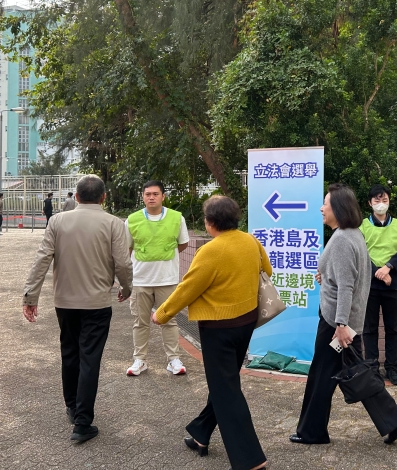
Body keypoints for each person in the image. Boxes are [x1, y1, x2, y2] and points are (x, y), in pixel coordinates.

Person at [152, 195, 268, 470]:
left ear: (210, 222)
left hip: (219, 328)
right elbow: (268, 270)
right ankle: (201, 434)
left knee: (227, 390)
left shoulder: (211, 250)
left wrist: (163, 313)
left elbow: (188, 288)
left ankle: (250, 460)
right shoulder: (251, 241)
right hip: (246, 321)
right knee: (224, 382)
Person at [290, 183, 397, 446]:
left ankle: (312, 432)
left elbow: (346, 286)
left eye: (326, 204)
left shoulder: (343, 239)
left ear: (338, 208)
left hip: (336, 324)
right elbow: (349, 277)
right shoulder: (353, 234)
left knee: (322, 376)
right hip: (346, 322)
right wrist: (326, 277)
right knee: (356, 372)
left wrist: (341, 324)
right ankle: (393, 421)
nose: (321, 208)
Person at [22, 175, 132, 444]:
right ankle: (83, 422)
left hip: (65, 302)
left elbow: (42, 259)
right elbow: (123, 263)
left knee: (69, 353)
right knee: (90, 359)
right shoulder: (114, 223)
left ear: (77, 196)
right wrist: (126, 288)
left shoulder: (58, 221)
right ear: (103, 197)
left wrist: (30, 297)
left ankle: (72, 406)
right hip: (97, 303)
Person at [125, 180, 190, 376]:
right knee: (140, 322)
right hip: (140, 280)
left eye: (155, 194)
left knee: (169, 321)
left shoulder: (177, 218)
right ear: (142, 197)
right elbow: (128, 248)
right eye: (148, 194)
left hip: (167, 279)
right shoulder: (132, 220)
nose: (151, 197)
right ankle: (139, 360)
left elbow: (182, 244)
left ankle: (173, 360)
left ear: (163, 196)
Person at [359, 184, 397, 386]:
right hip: (370, 284)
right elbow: (361, 254)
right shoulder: (362, 226)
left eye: (385, 200)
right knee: (369, 328)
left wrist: (388, 268)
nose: (381, 204)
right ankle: (372, 368)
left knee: (393, 328)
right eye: (377, 200)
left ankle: (392, 368)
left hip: (392, 283)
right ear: (369, 203)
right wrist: (379, 273)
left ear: (389, 201)